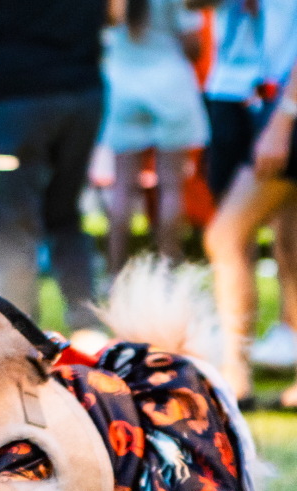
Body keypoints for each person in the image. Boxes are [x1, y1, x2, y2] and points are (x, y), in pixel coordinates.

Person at [0, 0, 108, 337]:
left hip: (18, 92)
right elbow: (115, 14)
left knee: (15, 221)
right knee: (65, 214)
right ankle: (87, 326)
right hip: (81, 90)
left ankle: (19, 333)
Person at [205, 47, 297, 405]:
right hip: (264, 98)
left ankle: (235, 372)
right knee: (289, 240)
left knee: (226, 235)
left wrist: (283, 120)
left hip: (283, 107)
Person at [102, 0, 210, 271]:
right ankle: (168, 269)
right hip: (169, 83)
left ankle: (115, 271)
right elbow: (193, 46)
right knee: (172, 186)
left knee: (122, 186)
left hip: (122, 83)